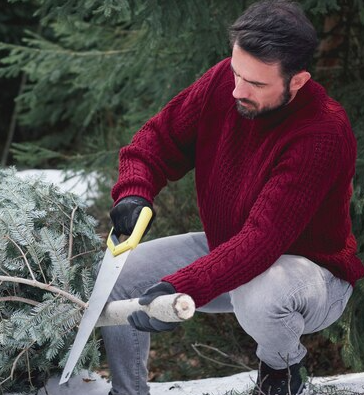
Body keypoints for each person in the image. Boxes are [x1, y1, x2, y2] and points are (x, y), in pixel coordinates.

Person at [103, 1, 364, 395]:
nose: (237, 90)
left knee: (262, 294)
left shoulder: (322, 132)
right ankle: (127, 392)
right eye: (237, 72)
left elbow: (263, 240)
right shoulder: (225, 82)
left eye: (256, 84)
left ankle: (282, 371)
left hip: (309, 276)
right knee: (121, 274)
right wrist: (134, 192)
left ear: (297, 81)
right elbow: (158, 140)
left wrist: (184, 285)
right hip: (230, 250)